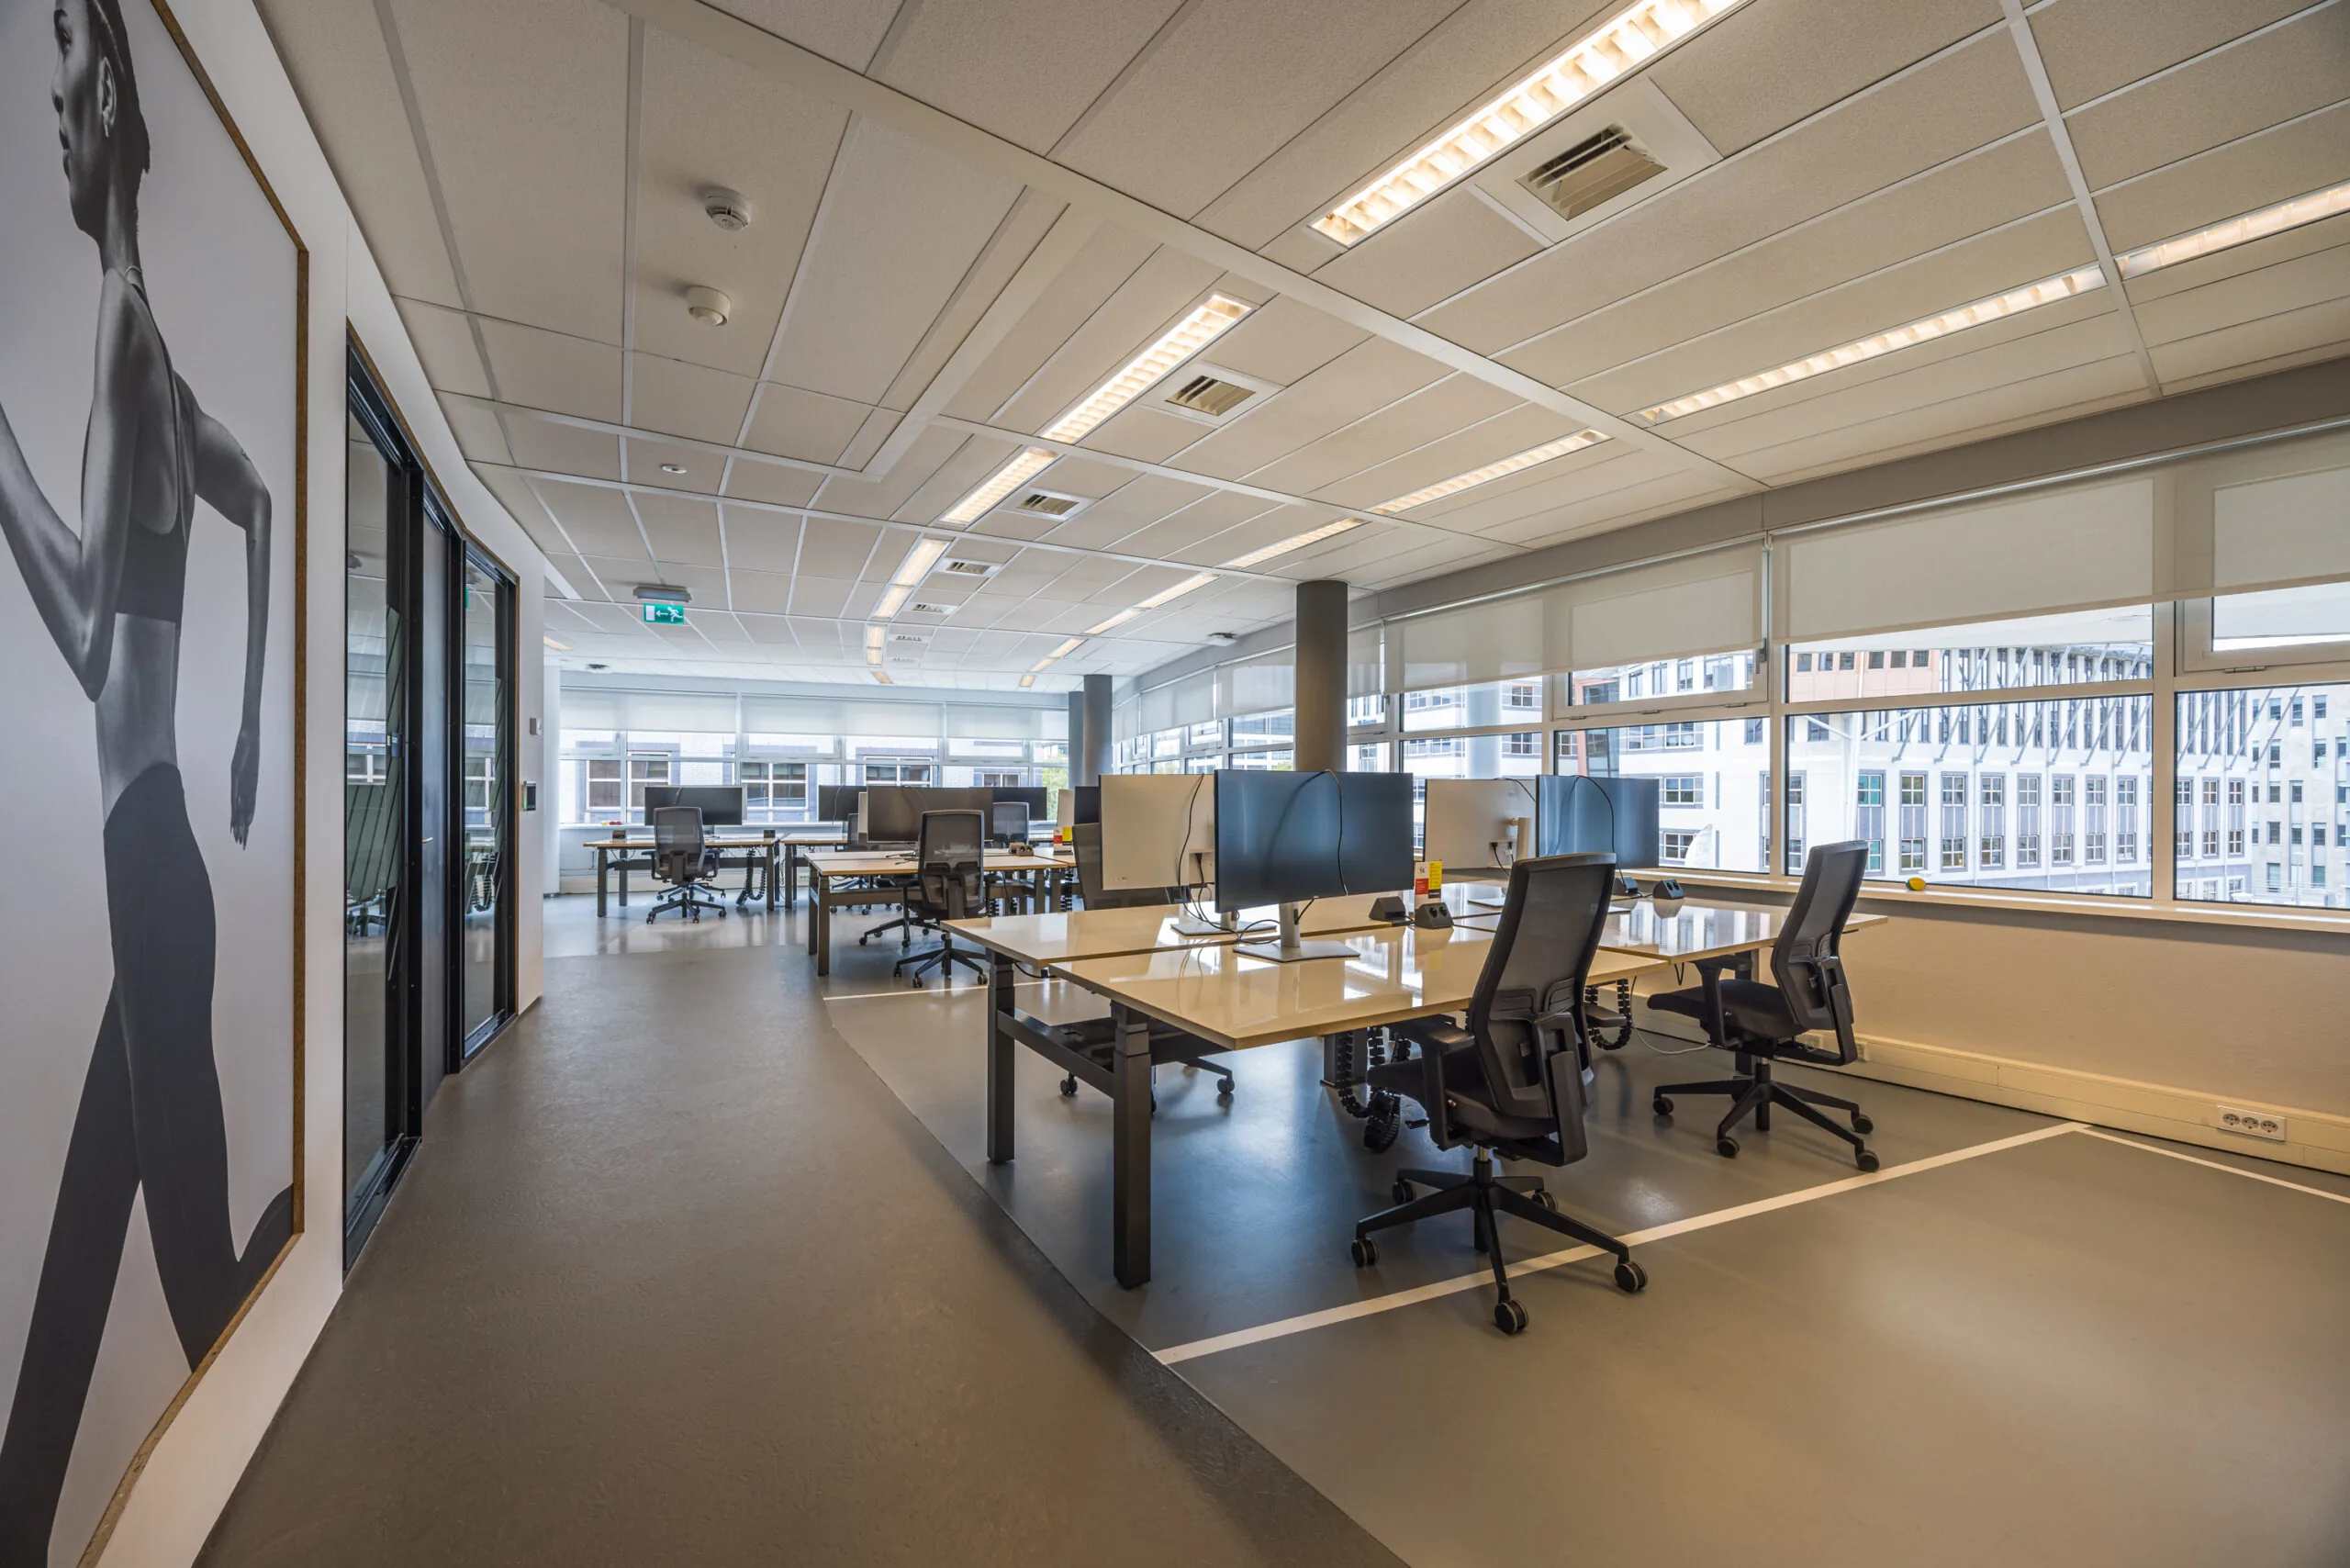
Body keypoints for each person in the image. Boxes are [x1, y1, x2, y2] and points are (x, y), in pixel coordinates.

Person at [0, 3, 293, 1560]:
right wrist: (246, 727)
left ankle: (303, 1239)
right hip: (155, 864)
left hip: (152, 864)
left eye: (57, 60)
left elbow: (85, 636)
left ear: (108, 80)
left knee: (196, 1299)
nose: (46, 100)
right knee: (66, 1301)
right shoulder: (161, 364)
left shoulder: (125, 327)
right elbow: (261, 506)